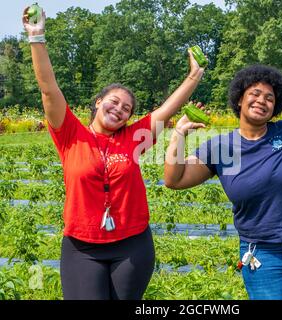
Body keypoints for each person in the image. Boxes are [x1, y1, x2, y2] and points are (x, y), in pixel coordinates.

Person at [23, 8, 204, 300]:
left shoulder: (134, 138)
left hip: (132, 245)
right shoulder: (70, 134)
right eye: (114, 102)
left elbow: (168, 109)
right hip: (82, 247)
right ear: (98, 102)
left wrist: (194, 75)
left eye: (127, 109)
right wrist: (36, 37)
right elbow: (48, 89)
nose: (119, 110)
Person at [164, 64, 282, 300]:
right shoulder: (222, 149)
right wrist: (178, 135)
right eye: (254, 94)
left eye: (269, 98)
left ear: (275, 107)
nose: (262, 100)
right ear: (240, 99)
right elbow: (174, 179)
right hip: (261, 251)